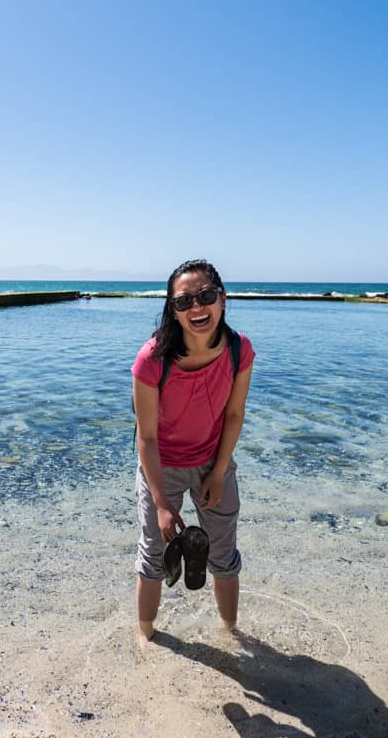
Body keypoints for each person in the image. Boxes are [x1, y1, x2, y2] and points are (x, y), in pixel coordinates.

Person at [131, 258, 255, 645]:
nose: (197, 308)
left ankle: (230, 636)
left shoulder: (239, 351)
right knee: (153, 554)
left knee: (224, 554)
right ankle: (146, 640)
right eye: (184, 302)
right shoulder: (151, 359)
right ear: (173, 310)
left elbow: (234, 415)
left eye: (206, 296)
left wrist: (218, 473)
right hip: (160, 465)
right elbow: (146, 437)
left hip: (212, 461)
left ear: (223, 298)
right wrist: (162, 502)